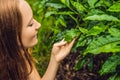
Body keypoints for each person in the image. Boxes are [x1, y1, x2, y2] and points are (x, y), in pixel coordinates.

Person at [0, 0, 76, 80]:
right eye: (30, 24)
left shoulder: (19, 53)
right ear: (10, 35)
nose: (38, 25)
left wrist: (55, 59)